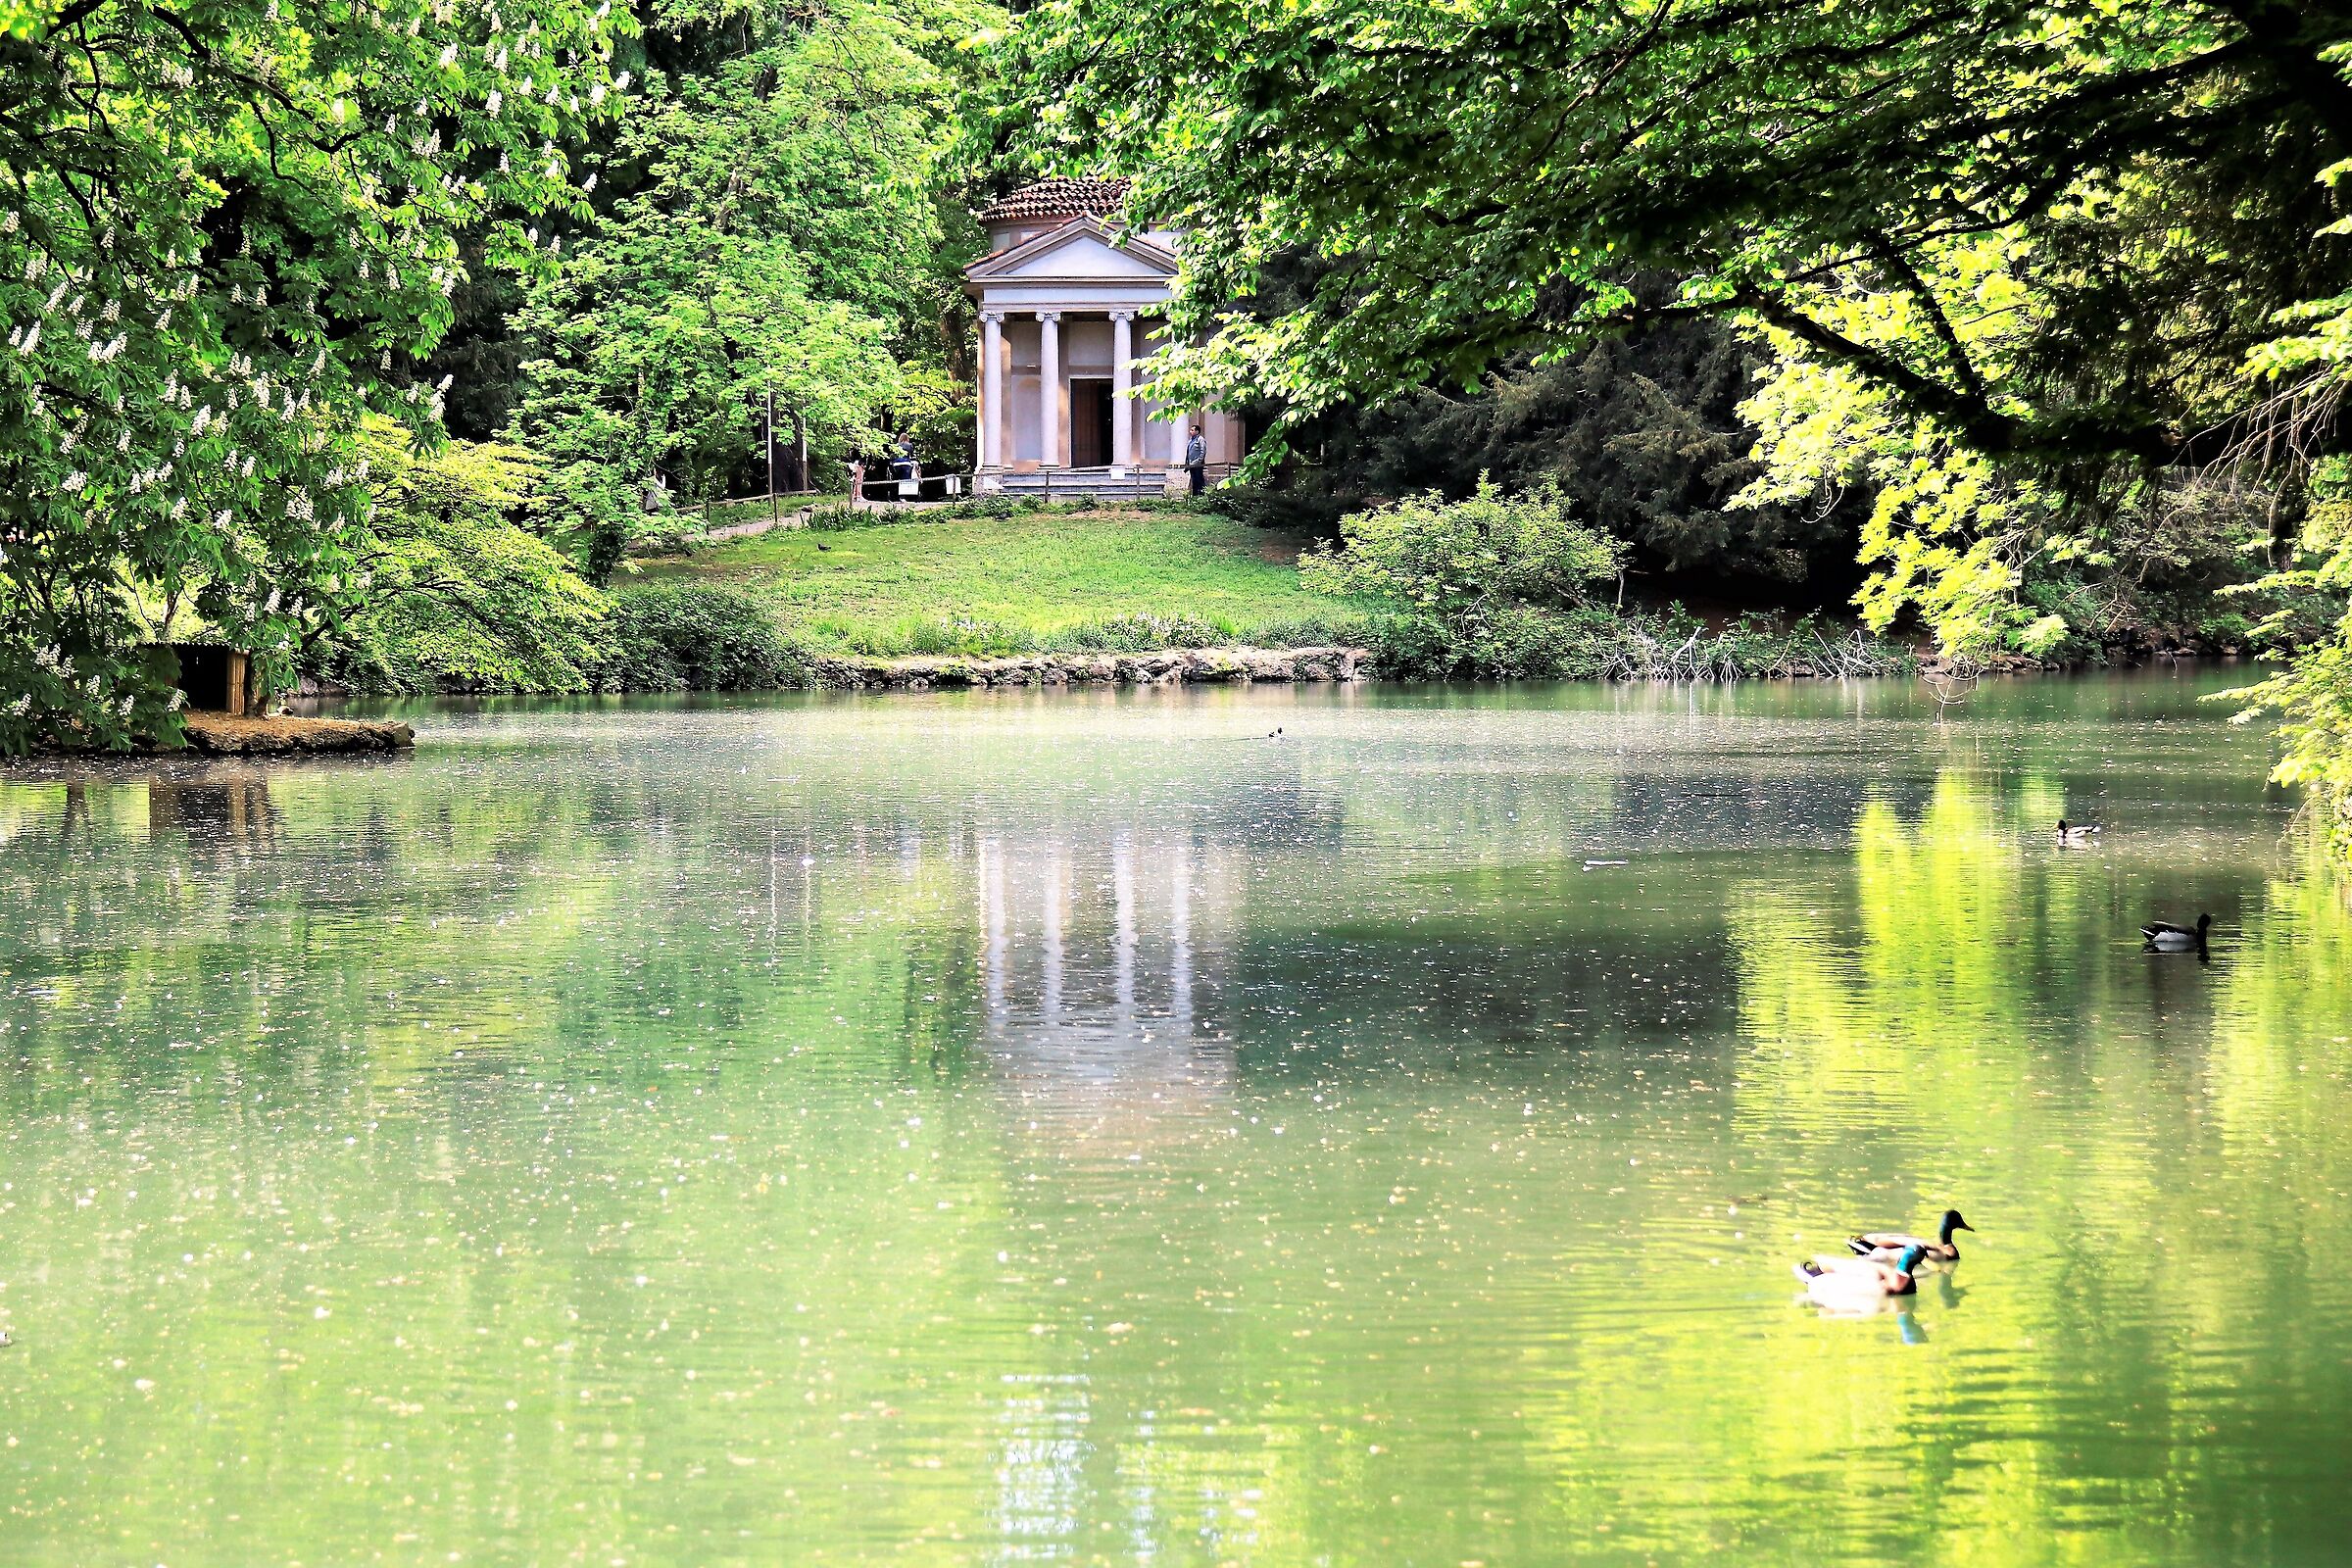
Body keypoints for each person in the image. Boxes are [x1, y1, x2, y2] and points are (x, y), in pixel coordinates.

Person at [1184, 424, 1208, 496]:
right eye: (1190, 430)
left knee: (1199, 480)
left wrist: (1199, 461)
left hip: (1198, 464)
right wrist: (1187, 464)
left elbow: (1202, 451)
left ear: (1197, 431)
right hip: (1191, 465)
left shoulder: (1200, 439)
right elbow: (1188, 453)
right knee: (1194, 481)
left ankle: (1201, 495)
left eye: (1192, 430)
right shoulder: (1191, 440)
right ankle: (1194, 497)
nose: (1190, 431)